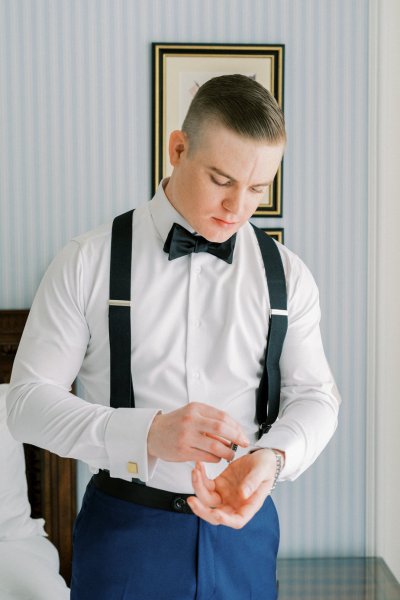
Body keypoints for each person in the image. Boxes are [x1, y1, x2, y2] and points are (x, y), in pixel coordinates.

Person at [7, 74, 340, 600]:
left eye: (257, 189)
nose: (238, 208)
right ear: (178, 149)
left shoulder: (288, 275)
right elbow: (24, 403)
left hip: (244, 534)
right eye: (222, 179)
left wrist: (272, 459)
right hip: (124, 535)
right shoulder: (88, 261)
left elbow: (318, 398)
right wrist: (145, 435)